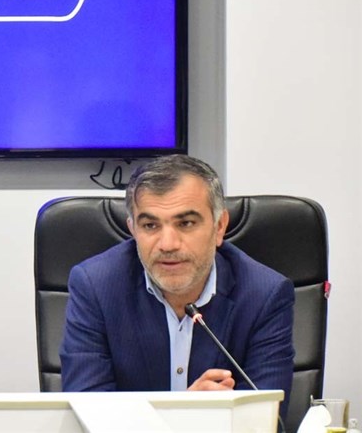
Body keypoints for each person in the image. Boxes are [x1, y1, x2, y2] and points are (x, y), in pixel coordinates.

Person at [60, 154, 294, 418]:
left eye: (186, 223)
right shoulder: (95, 287)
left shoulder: (265, 295)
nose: (168, 244)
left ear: (219, 227)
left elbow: (265, 420)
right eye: (150, 225)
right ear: (133, 230)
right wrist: (183, 414)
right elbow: (87, 416)